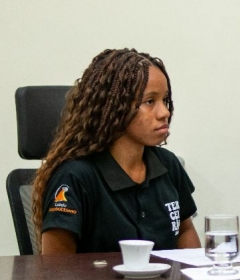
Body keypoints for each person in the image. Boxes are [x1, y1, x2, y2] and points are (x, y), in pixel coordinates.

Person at [31, 48, 201, 254]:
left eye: (164, 100)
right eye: (149, 101)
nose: (164, 112)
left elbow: (185, 231)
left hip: (164, 276)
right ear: (114, 108)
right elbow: (55, 268)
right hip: (98, 277)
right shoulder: (74, 177)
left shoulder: (168, 164)